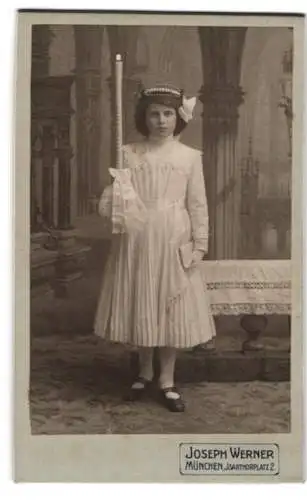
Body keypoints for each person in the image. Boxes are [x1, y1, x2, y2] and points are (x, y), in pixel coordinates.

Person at [94, 84, 216, 412]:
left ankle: (167, 379)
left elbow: (198, 203)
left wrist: (200, 243)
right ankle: (144, 372)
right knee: (143, 301)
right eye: (154, 114)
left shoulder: (190, 157)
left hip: (174, 236)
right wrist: (118, 194)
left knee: (169, 305)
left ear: (179, 118)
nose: (161, 121)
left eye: (167, 114)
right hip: (137, 237)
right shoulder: (129, 153)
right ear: (143, 117)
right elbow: (115, 202)